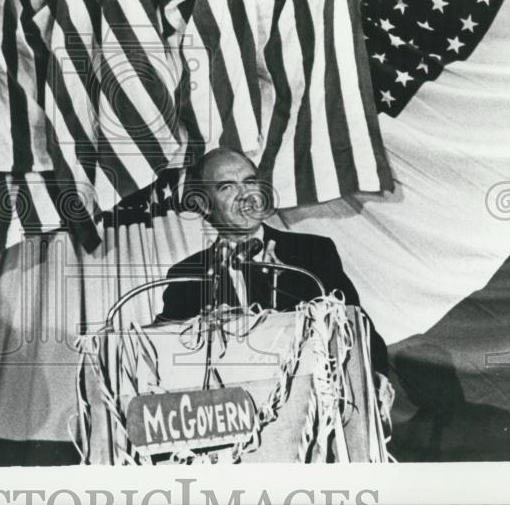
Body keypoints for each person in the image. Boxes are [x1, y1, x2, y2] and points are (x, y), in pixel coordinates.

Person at [159, 147, 392, 398]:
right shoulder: (188, 275)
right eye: (227, 187)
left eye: (250, 182)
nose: (245, 195)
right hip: (233, 410)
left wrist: (376, 375)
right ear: (204, 204)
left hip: (312, 404)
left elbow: (356, 323)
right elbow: (169, 355)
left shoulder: (313, 252)